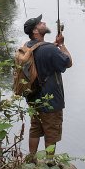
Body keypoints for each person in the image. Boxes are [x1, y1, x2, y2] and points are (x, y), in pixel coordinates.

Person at [22, 14, 72, 159]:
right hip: (50, 100)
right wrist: (62, 45)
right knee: (51, 131)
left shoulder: (27, 47)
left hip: (33, 97)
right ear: (35, 31)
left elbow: (41, 53)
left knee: (35, 128)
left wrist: (52, 46)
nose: (43, 22)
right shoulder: (49, 49)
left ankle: (31, 158)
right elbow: (68, 62)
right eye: (39, 23)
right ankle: (49, 163)